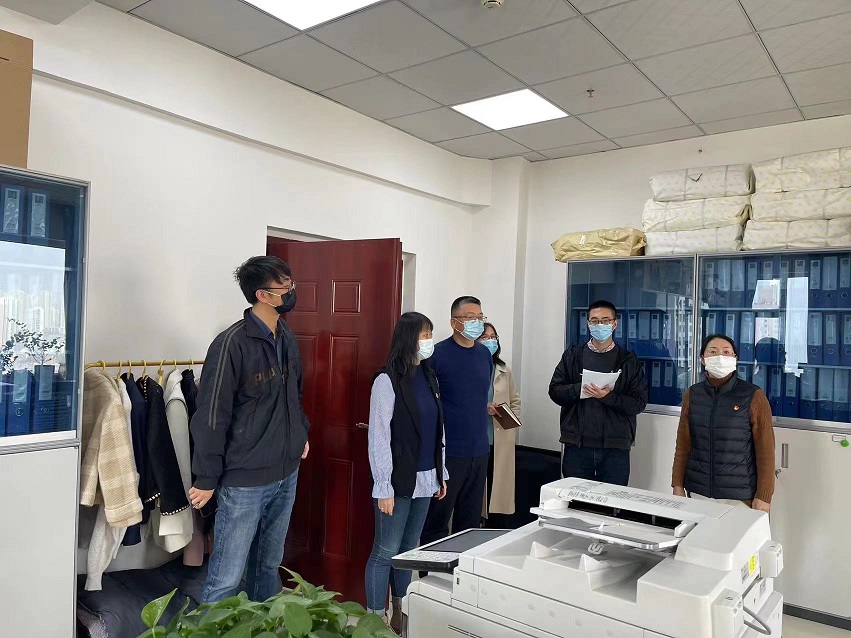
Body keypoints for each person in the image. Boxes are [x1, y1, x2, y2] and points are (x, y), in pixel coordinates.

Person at [189, 256, 310, 603]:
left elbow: (294, 394)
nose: (291, 290)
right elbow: (212, 415)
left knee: (268, 566)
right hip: (245, 481)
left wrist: (300, 433)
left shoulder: (286, 335)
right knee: (226, 577)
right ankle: (212, 627)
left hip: (286, 472)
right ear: (263, 295)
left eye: (290, 283)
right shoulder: (231, 344)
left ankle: (262, 625)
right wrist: (206, 477)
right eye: (284, 286)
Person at [365, 312, 448, 633]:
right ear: (408, 338)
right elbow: (379, 436)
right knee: (385, 550)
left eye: (430, 334)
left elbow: (438, 429)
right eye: (424, 335)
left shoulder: (428, 375)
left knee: (408, 550)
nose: (428, 341)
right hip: (397, 480)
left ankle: (400, 610)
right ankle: (375, 618)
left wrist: (441, 472)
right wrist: (383, 485)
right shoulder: (386, 380)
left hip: (426, 477)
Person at [549, 300, 648, 486]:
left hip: (615, 448)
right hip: (577, 446)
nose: (599, 325)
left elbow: (638, 403)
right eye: (594, 321)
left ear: (615, 324)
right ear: (588, 324)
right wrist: (581, 389)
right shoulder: (572, 356)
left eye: (605, 320)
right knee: (576, 499)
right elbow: (554, 391)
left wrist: (608, 397)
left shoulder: (628, 361)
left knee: (612, 501)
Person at [420, 296, 493, 545]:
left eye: (480, 317)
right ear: (454, 322)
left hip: (480, 450)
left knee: (470, 522)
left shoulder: (484, 354)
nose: (477, 322)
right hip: (448, 452)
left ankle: (463, 567)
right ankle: (431, 566)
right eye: (470, 318)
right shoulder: (437, 355)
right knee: (437, 519)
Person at [672, 334, 775, 511]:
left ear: (735, 358)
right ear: (703, 359)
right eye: (713, 352)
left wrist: (763, 496)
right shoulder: (693, 394)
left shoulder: (753, 395)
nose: (720, 356)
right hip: (698, 492)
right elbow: (683, 445)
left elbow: (766, 451)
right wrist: (677, 484)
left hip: (739, 497)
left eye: (726, 352)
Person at [478, 323, 520, 526]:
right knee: (477, 493)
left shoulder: (504, 370)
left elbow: (515, 401)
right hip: (478, 439)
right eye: (485, 337)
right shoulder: (471, 368)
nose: (491, 341)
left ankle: (495, 528)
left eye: (493, 337)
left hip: (500, 438)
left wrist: (510, 419)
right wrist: (482, 408)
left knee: (498, 491)